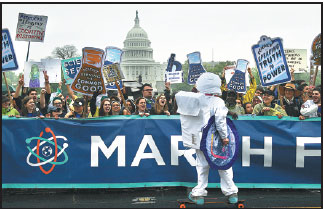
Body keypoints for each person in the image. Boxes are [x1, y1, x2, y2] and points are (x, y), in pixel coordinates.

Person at [176, 72, 238, 205]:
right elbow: (220, 121)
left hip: (200, 139)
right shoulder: (218, 101)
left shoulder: (194, 98)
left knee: (202, 165)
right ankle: (231, 192)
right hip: (216, 139)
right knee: (224, 164)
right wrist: (224, 137)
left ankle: (199, 193)